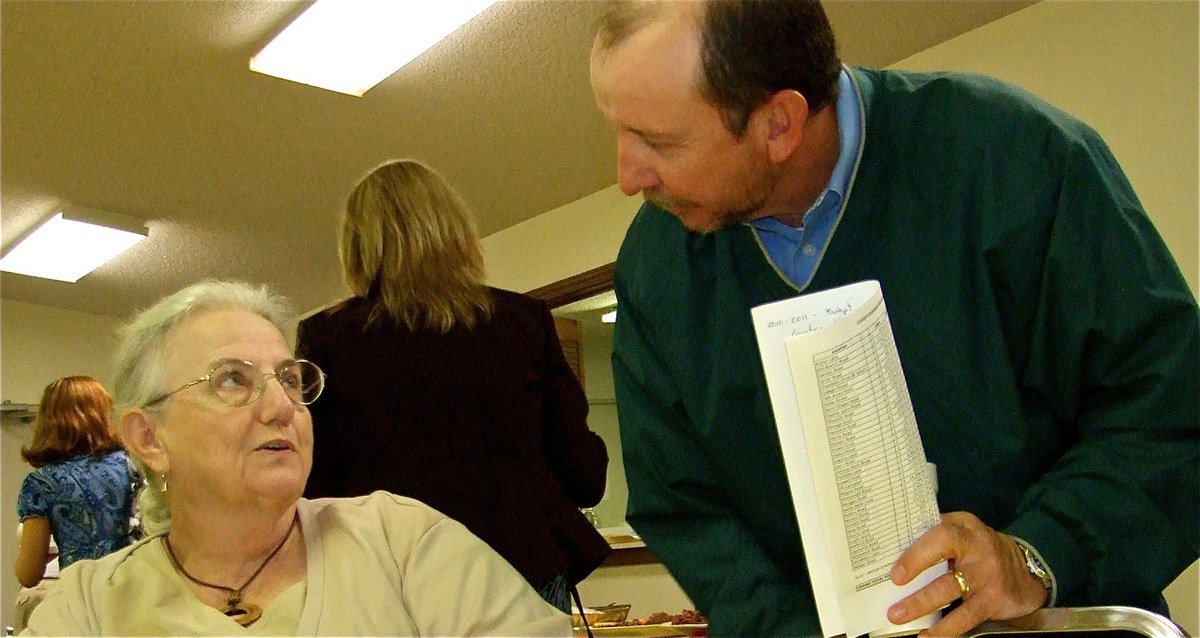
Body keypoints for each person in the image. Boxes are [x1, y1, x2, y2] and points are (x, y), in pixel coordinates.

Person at [589, 1, 1199, 636]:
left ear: (780, 124)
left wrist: (1037, 553)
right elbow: (682, 506)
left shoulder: (1015, 162)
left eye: (659, 142)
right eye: (619, 130)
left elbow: (1171, 413)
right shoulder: (655, 271)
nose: (627, 177)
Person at [21, 280, 569, 636]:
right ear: (147, 438)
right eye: (232, 380)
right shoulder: (87, 608)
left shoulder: (401, 542)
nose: (284, 406)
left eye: (289, 378)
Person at [297, 158, 611, 613]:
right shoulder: (523, 323)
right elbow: (585, 478)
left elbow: (315, 487)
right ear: (456, 231)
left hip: (390, 582)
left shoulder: (326, 339)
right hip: (519, 570)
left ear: (358, 246)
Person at [13, 376, 133, 632]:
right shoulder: (132, 466)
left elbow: (29, 574)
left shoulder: (41, 484)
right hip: (131, 594)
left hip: (80, 606)